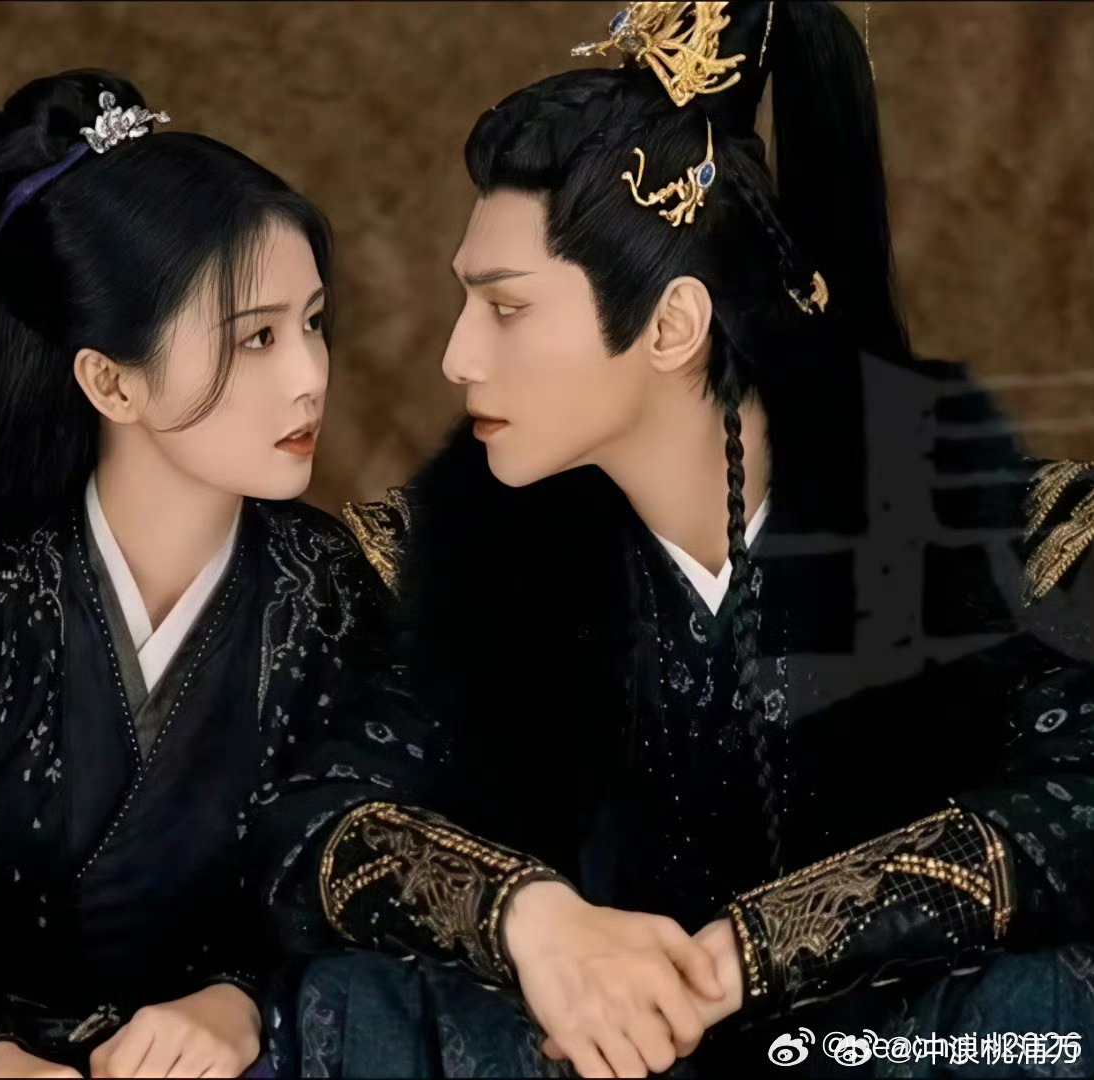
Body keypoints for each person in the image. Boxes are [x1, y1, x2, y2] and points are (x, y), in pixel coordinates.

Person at [312, 3, 1094, 1077]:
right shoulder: (439, 564)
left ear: (673, 325)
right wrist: (532, 920)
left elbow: (1075, 800)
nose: (457, 358)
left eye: (506, 309)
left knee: (1045, 1008)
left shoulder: (1007, 532)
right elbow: (318, 810)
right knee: (350, 1001)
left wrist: (747, 955)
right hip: (591, 1052)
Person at [0, 69, 429, 1079]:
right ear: (110, 380)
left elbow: (394, 893)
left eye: (313, 322)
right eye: (256, 338)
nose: (309, 376)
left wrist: (242, 1006)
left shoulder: (338, 596)